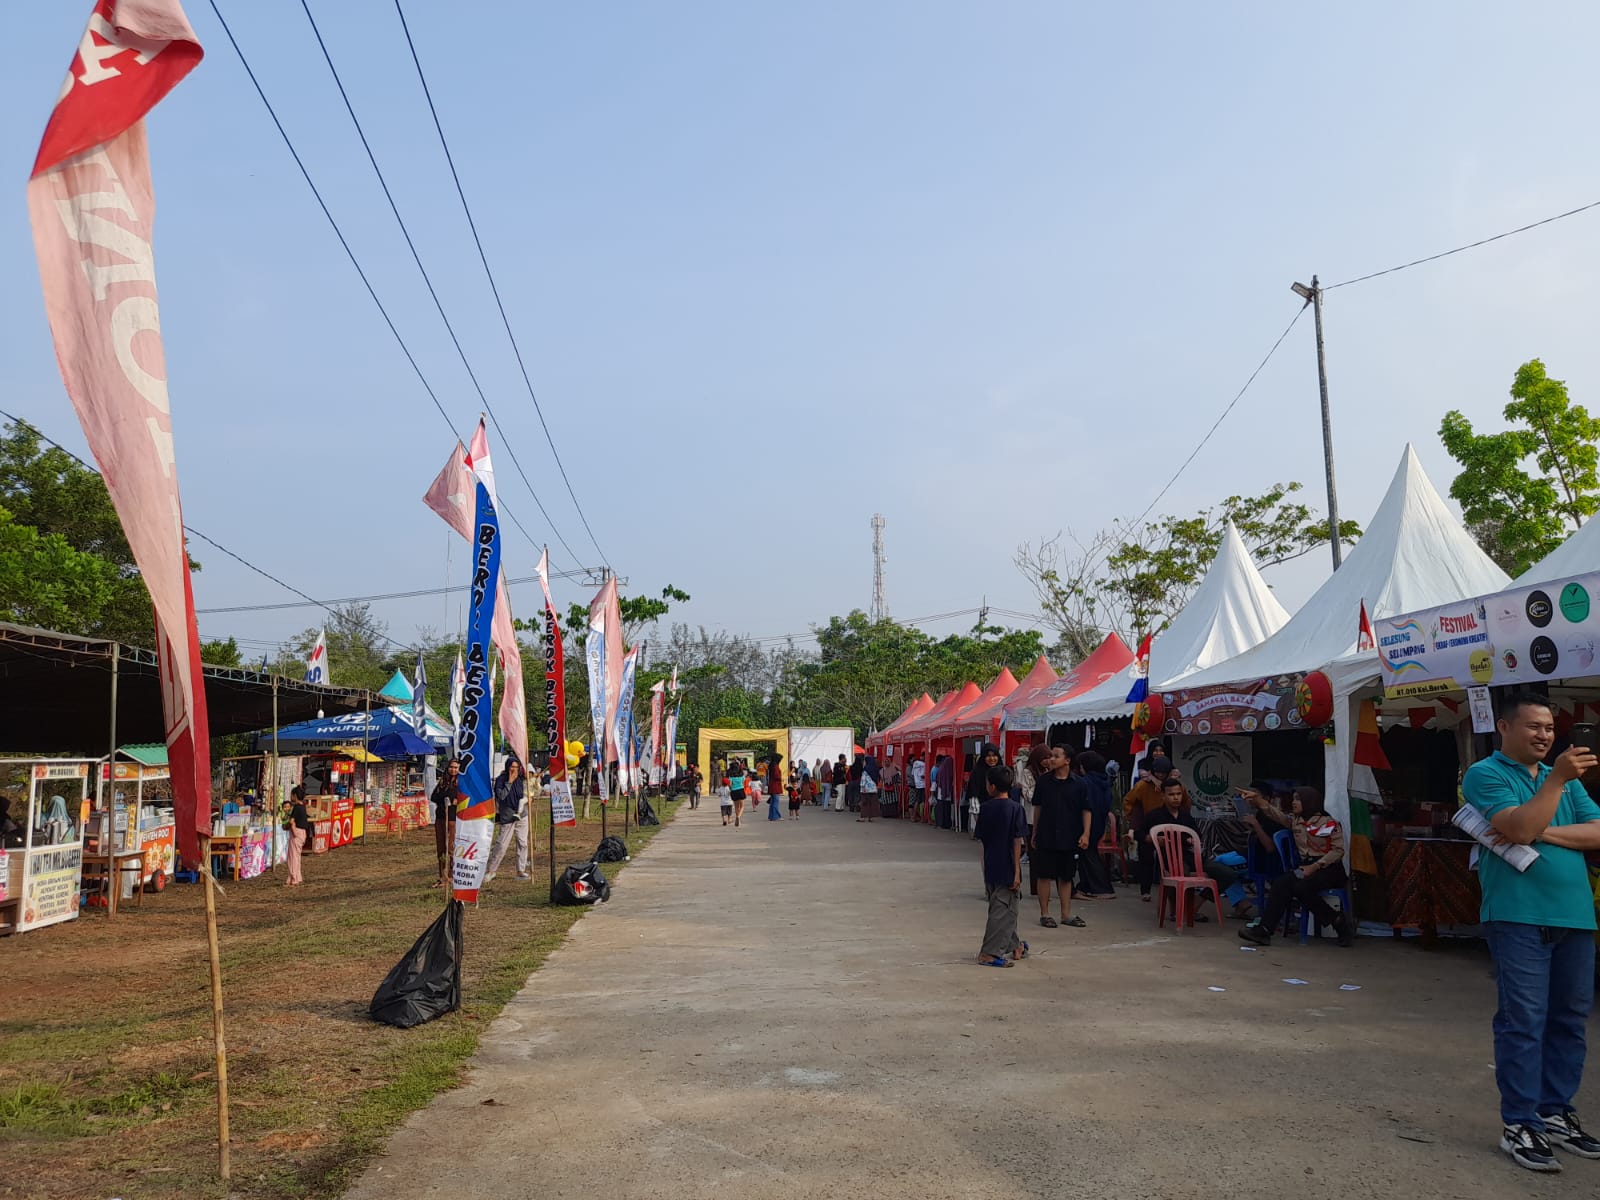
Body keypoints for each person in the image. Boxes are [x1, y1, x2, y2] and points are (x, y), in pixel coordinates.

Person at [1462, 693, 1600, 1172]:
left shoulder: (1559, 781)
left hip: (1576, 915)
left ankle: (1556, 1111)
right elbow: (1517, 828)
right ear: (1504, 727)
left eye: (1549, 727)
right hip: (1518, 915)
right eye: (1533, 727)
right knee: (1524, 1021)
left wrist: (1543, 828)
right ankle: (1520, 1123)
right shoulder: (1486, 774)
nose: (1544, 735)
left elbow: (1596, 832)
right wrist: (1557, 784)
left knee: (1569, 1020)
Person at [1238, 786, 1350, 946]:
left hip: (1329, 869)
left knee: (1300, 887)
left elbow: (1338, 851)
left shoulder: (1329, 823)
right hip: (1305, 868)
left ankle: (1338, 922)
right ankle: (1264, 930)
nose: (1294, 802)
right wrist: (1257, 799)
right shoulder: (1295, 821)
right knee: (1281, 883)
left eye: (1298, 799)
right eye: (1294, 798)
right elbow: (1273, 813)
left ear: (1309, 801)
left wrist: (1315, 867)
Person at [1135, 777, 1245, 918]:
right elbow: (1138, 833)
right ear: (1163, 796)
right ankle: (1179, 910)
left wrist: (1191, 839)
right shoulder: (1155, 815)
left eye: (1178, 794)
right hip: (1171, 859)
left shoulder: (1185, 815)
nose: (1176, 797)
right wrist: (1151, 838)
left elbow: (1197, 835)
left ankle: (1196, 904)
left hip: (1192, 857)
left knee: (1228, 874)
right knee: (1182, 874)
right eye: (1171, 794)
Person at [974, 765, 1028, 967]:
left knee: (1005, 907)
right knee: (1003, 909)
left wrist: (984, 868)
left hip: (991, 864)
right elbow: (1017, 842)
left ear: (992, 786)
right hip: (1007, 865)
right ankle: (988, 953)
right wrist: (1016, 871)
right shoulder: (1015, 809)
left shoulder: (986, 809)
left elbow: (981, 840)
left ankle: (1014, 944)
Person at [1030, 745, 1090, 928]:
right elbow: (1038, 807)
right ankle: (1045, 913)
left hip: (1069, 835)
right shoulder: (1043, 782)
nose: (1051, 759)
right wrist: (1034, 831)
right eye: (1050, 756)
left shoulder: (1080, 784)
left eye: (1056, 756)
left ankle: (1065, 914)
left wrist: (1086, 833)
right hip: (1047, 833)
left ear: (1067, 760)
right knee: (1044, 875)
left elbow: (1086, 810)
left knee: (1066, 876)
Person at [1075, 750, 1118, 899]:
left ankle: (1102, 888)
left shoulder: (1086, 782)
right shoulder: (1104, 781)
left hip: (1087, 823)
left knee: (1088, 854)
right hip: (1099, 822)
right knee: (1086, 854)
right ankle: (1086, 886)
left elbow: (1085, 805)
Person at [484, 758, 530, 884]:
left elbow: (526, 793)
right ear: (507, 767)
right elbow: (502, 796)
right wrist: (509, 781)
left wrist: (528, 799)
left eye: (516, 767)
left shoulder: (521, 779)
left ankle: (520, 870)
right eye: (511, 767)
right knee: (501, 845)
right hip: (508, 817)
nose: (514, 769)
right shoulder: (501, 780)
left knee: (523, 843)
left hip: (522, 815)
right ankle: (491, 870)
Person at [430, 757, 462, 888]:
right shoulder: (443, 781)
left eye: (455, 767)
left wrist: (456, 801)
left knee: (451, 848)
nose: (453, 769)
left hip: (453, 819)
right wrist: (445, 798)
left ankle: (451, 875)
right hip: (441, 817)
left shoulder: (461, 783)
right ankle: (442, 876)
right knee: (441, 848)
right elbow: (433, 797)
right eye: (451, 767)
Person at [966, 743, 1002, 836]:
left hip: (1001, 812)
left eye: (994, 755)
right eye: (988, 756)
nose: (992, 759)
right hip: (984, 811)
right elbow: (973, 794)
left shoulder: (1002, 771)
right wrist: (979, 819)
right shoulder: (977, 772)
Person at [282, 784, 313, 887]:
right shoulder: (303, 807)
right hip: (302, 833)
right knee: (297, 856)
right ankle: (297, 877)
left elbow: (291, 821)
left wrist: (285, 826)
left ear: (295, 796)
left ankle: (293, 878)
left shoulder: (296, 808)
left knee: (293, 857)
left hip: (296, 834)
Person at [857, 754, 881, 822]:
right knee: (872, 803)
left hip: (866, 789)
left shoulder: (866, 769)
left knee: (865, 803)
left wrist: (862, 786)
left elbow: (863, 779)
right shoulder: (875, 768)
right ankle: (870, 817)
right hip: (873, 789)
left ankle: (863, 817)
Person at [727, 759, 748, 827]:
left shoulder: (731, 777)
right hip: (741, 790)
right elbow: (743, 783)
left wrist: (731, 788)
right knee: (742, 806)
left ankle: (737, 819)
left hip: (734, 791)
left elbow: (730, 785)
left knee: (736, 806)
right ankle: (738, 817)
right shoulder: (742, 776)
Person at [909, 753, 928, 822]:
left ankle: (914, 817)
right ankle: (922, 818)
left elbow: (913, 774)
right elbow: (923, 776)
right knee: (922, 801)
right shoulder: (924, 764)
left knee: (917, 801)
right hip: (923, 785)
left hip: (917, 785)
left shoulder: (915, 764)